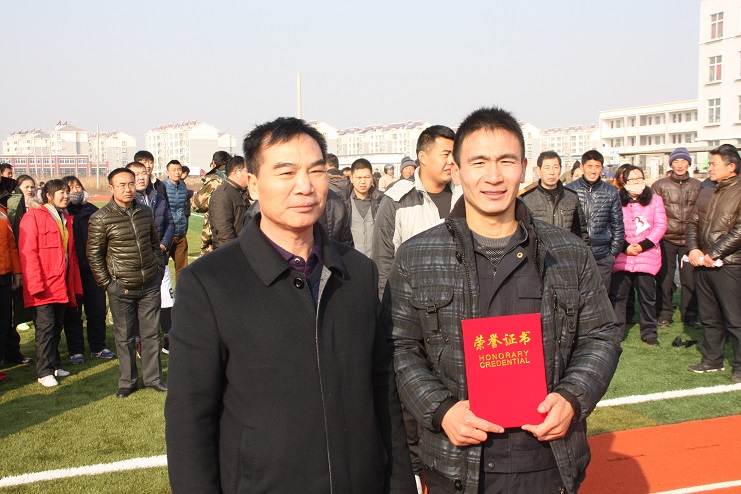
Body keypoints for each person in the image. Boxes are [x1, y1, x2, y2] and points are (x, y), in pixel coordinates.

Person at [165, 116, 415, 493]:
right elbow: (189, 420)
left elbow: (382, 390)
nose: (305, 186)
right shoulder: (209, 283)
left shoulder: (358, 272)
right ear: (253, 184)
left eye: (315, 171)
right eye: (286, 172)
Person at [385, 106, 621, 493]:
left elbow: (602, 334)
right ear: (456, 170)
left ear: (524, 168)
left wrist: (572, 398)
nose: (493, 176)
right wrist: (441, 410)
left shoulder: (568, 251)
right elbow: (400, 345)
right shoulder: (417, 255)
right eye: (478, 162)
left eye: (506, 161)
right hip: (457, 462)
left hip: (546, 460)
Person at [87, 168, 167, 398]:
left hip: (149, 284)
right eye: (122, 185)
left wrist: (158, 270)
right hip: (121, 287)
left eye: (131, 184)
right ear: (111, 188)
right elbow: (94, 255)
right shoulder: (101, 218)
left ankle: (153, 378)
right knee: (124, 337)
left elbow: (155, 244)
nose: (128, 189)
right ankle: (127, 381)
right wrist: (108, 284)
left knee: (152, 334)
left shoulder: (145, 212)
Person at [372, 124, 456, 298]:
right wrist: (385, 306)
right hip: (413, 304)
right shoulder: (396, 200)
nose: (452, 161)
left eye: (455, 155)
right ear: (423, 157)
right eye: (446, 154)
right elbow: (383, 261)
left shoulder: (465, 196)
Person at [19, 180, 83, 387]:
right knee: (45, 329)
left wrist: (73, 284)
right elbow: (28, 253)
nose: (66, 196)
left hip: (60, 283)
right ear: (48, 195)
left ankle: (54, 365)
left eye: (67, 192)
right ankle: (44, 371)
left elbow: (70, 254)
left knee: (56, 326)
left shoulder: (64, 218)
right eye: (61, 192)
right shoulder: (33, 216)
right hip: (43, 285)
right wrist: (35, 285)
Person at [686, 144, 741, 384]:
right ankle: (712, 359)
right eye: (709, 164)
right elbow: (693, 223)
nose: (709, 168)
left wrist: (715, 253)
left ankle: (739, 366)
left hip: (729, 265)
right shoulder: (707, 191)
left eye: (713, 164)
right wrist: (693, 249)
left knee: (734, 319)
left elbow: (739, 230)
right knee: (709, 316)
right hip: (702, 264)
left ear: (731, 167)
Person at [610, 166, 667, 345]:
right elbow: (612, 225)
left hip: (647, 254)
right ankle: (617, 332)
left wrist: (642, 246)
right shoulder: (616, 199)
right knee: (619, 296)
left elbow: (660, 225)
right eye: (632, 179)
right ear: (624, 182)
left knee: (647, 296)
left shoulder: (655, 200)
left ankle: (649, 332)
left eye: (639, 178)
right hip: (623, 256)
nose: (636, 183)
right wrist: (625, 247)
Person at [61, 176, 115, 364]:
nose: (75, 191)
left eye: (78, 187)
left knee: (97, 310)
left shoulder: (93, 211)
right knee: (73, 313)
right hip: (71, 271)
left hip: (93, 270)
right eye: (70, 188)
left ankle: (98, 346)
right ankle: (76, 350)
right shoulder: (62, 213)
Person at [652, 147, 702, 328]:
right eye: (676, 161)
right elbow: (654, 212)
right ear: (671, 164)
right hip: (666, 238)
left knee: (690, 279)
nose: (680, 165)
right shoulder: (659, 185)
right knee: (664, 279)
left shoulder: (698, 185)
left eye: (683, 161)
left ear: (689, 164)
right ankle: (664, 313)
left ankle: (690, 315)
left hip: (690, 240)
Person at [129, 162, 176, 355]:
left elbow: (170, 223)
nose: (141, 177)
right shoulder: (128, 201)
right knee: (140, 302)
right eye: (136, 174)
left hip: (160, 257)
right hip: (137, 263)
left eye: (144, 173)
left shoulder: (159, 197)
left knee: (167, 299)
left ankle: (169, 339)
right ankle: (139, 341)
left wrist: (163, 244)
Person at [566, 150, 624, 295]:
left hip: (603, 255)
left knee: (600, 297)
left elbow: (617, 225)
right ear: (582, 167)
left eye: (597, 166)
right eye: (589, 166)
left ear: (602, 168)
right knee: (577, 296)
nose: (593, 171)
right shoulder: (570, 190)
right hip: (576, 255)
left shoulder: (611, 192)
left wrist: (613, 254)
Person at [520, 150, 588, 243]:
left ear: (560, 169)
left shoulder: (572, 197)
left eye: (555, 167)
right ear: (539, 170)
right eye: (547, 168)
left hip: (567, 250)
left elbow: (582, 233)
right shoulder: (527, 199)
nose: (551, 172)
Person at [4, 175, 35, 365]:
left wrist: (16, 271)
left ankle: (11, 353)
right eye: (26, 187)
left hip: (9, 268)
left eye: (32, 187)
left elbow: (12, 243)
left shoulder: (7, 208)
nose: (30, 190)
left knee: (8, 316)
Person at [0, 183, 22, 380]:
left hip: (4, 276)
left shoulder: (2, 213)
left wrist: (16, 272)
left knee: (4, 322)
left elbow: (11, 245)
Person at [342, 158, 384, 257]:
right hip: (348, 258)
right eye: (358, 178)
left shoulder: (382, 200)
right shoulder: (341, 200)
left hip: (375, 259)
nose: (363, 182)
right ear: (351, 178)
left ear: (372, 177)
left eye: (366, 177)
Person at [192, 151, 230, 256]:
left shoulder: (214, 179)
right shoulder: (237, 177)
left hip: (214, 231)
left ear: (214, 163)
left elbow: (197, 205)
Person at [209, 155, 250, 249]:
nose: (250, 175)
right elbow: (224, 232)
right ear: (236, 172)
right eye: (248, 171)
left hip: (244, 247)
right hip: (231, 251)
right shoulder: (222, 194)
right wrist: (233, 252)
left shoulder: (241, 193)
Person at [162, 160, 189, 278]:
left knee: (183, 269)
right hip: (167, 234)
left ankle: (181, 290)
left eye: (179, 170)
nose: (177, 172)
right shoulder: (161, 186)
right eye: (173, 170)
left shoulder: (183, 186)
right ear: (167, 172)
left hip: (181, 233)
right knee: (162, 268)